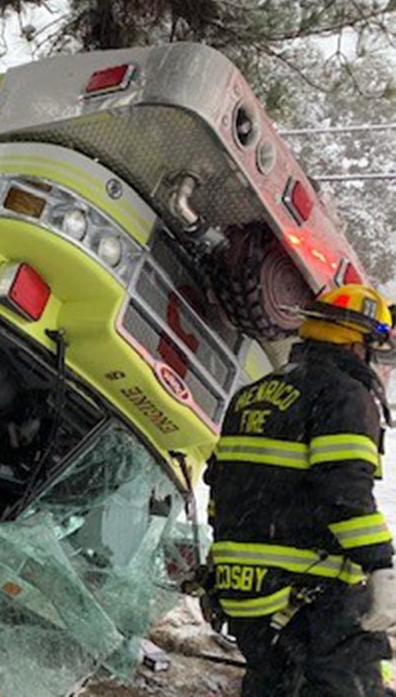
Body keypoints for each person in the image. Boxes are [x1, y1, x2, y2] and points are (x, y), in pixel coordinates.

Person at [204, 284, 396, 696]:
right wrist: (381, 565)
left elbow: (220, 492)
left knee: (274, 685)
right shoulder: (343, 396)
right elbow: (344, 493)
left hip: (245, 592)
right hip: (310, 595)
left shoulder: (250, 396)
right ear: (357, 345)